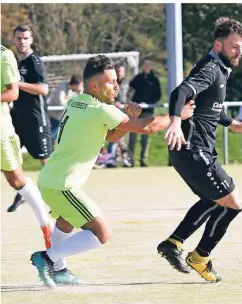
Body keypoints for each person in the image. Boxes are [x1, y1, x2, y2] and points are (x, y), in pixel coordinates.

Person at [30, 55, 195, 289]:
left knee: (66, 221)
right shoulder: (100, 110)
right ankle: (47, 258)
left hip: (52, 179)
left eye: (116, 81)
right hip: (62, 184)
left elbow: (109, 135)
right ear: (94, 85)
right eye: (110, 82)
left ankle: (59, 270)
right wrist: (177, 116)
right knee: (101, 234)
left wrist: (126, 120)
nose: (116, 86)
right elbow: (147, 127)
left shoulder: (77, 102)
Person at [157, 17, 242, 283]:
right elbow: (181, 92)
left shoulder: (220, 68)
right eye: (234, 46)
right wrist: (176, 122)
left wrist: (233, 123)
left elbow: (211, 107)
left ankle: (173, 243)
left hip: (191, 151)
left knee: (213, 200)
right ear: (218, 44)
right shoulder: (211, 67)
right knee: (233, 204)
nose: (239, 52)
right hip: (194, 150)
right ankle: (200, 256)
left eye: (241, 46)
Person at [1, 44, 52, 249]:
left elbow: (12, 93)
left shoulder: (4, 56)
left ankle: (46, 224)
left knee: (16, 180)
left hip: (2, 132)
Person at [8, 25, 52, 212]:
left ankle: (59, 196)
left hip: (36, 118)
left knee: (46, 161)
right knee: (11, 156)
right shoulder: (13, 61)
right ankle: (24, 192)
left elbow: (43, 89)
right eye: (19, 38)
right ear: (14, 40)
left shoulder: (34, 61)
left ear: (31, 40)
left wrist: (18, 84)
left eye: (25, 38)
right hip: (17, 118)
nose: (22, 41)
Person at [128, 60, 162, 167]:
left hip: (148, 111)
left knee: (145, 137)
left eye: (148, 66)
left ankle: (143, 160)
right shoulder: (138, 78)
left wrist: (150, 103)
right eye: (145, 66)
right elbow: (131, 86)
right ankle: (130, 160)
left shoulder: (154, 80)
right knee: (132, 136)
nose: (147, 68)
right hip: (135, 111)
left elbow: (158, 95)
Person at [48, 74, 83, 144]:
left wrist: (80, 92)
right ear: (75, 84)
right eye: (80, 85)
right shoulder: (63, 85)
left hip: (67, 117)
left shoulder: (78, 90)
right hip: (55, 116)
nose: (81, 87)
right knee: (51, 136)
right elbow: (60, 101)